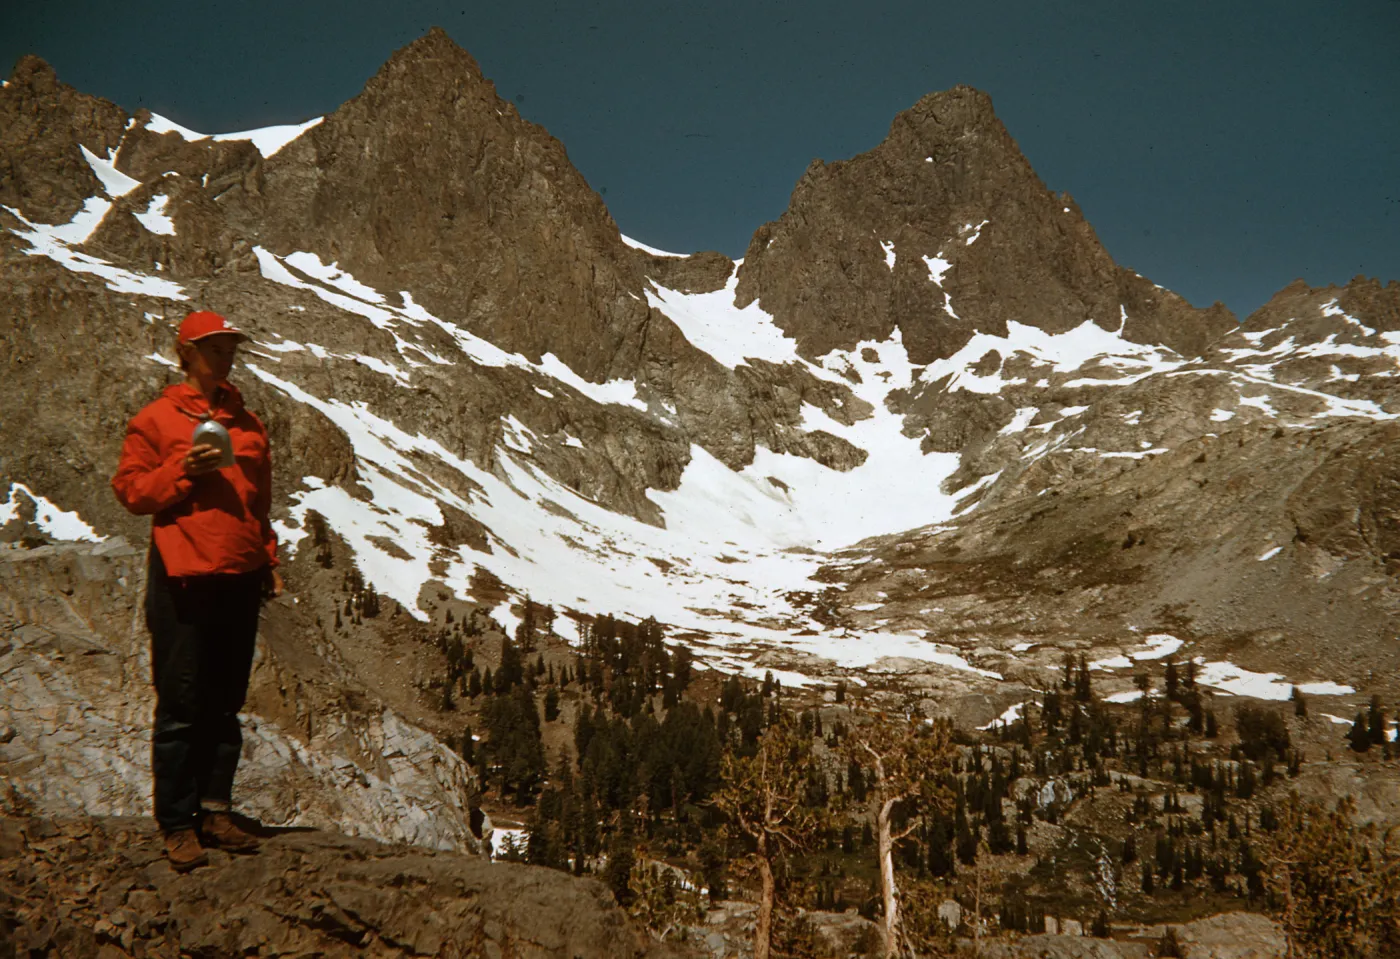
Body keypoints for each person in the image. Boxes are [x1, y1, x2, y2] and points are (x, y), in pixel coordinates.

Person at [112, 310, 283, 872]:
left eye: (230, 347)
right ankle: (178, 823)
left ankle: (216, 811)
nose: (224, 356)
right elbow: (134, 492)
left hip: (239, 574)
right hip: (182, 574)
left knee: (226, 702)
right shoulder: (156, 420)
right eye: (214, 347)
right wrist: (184, 470)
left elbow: (259, 502)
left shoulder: (248, 421)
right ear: (186, 353)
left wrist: (269, 560)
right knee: (182, 702)